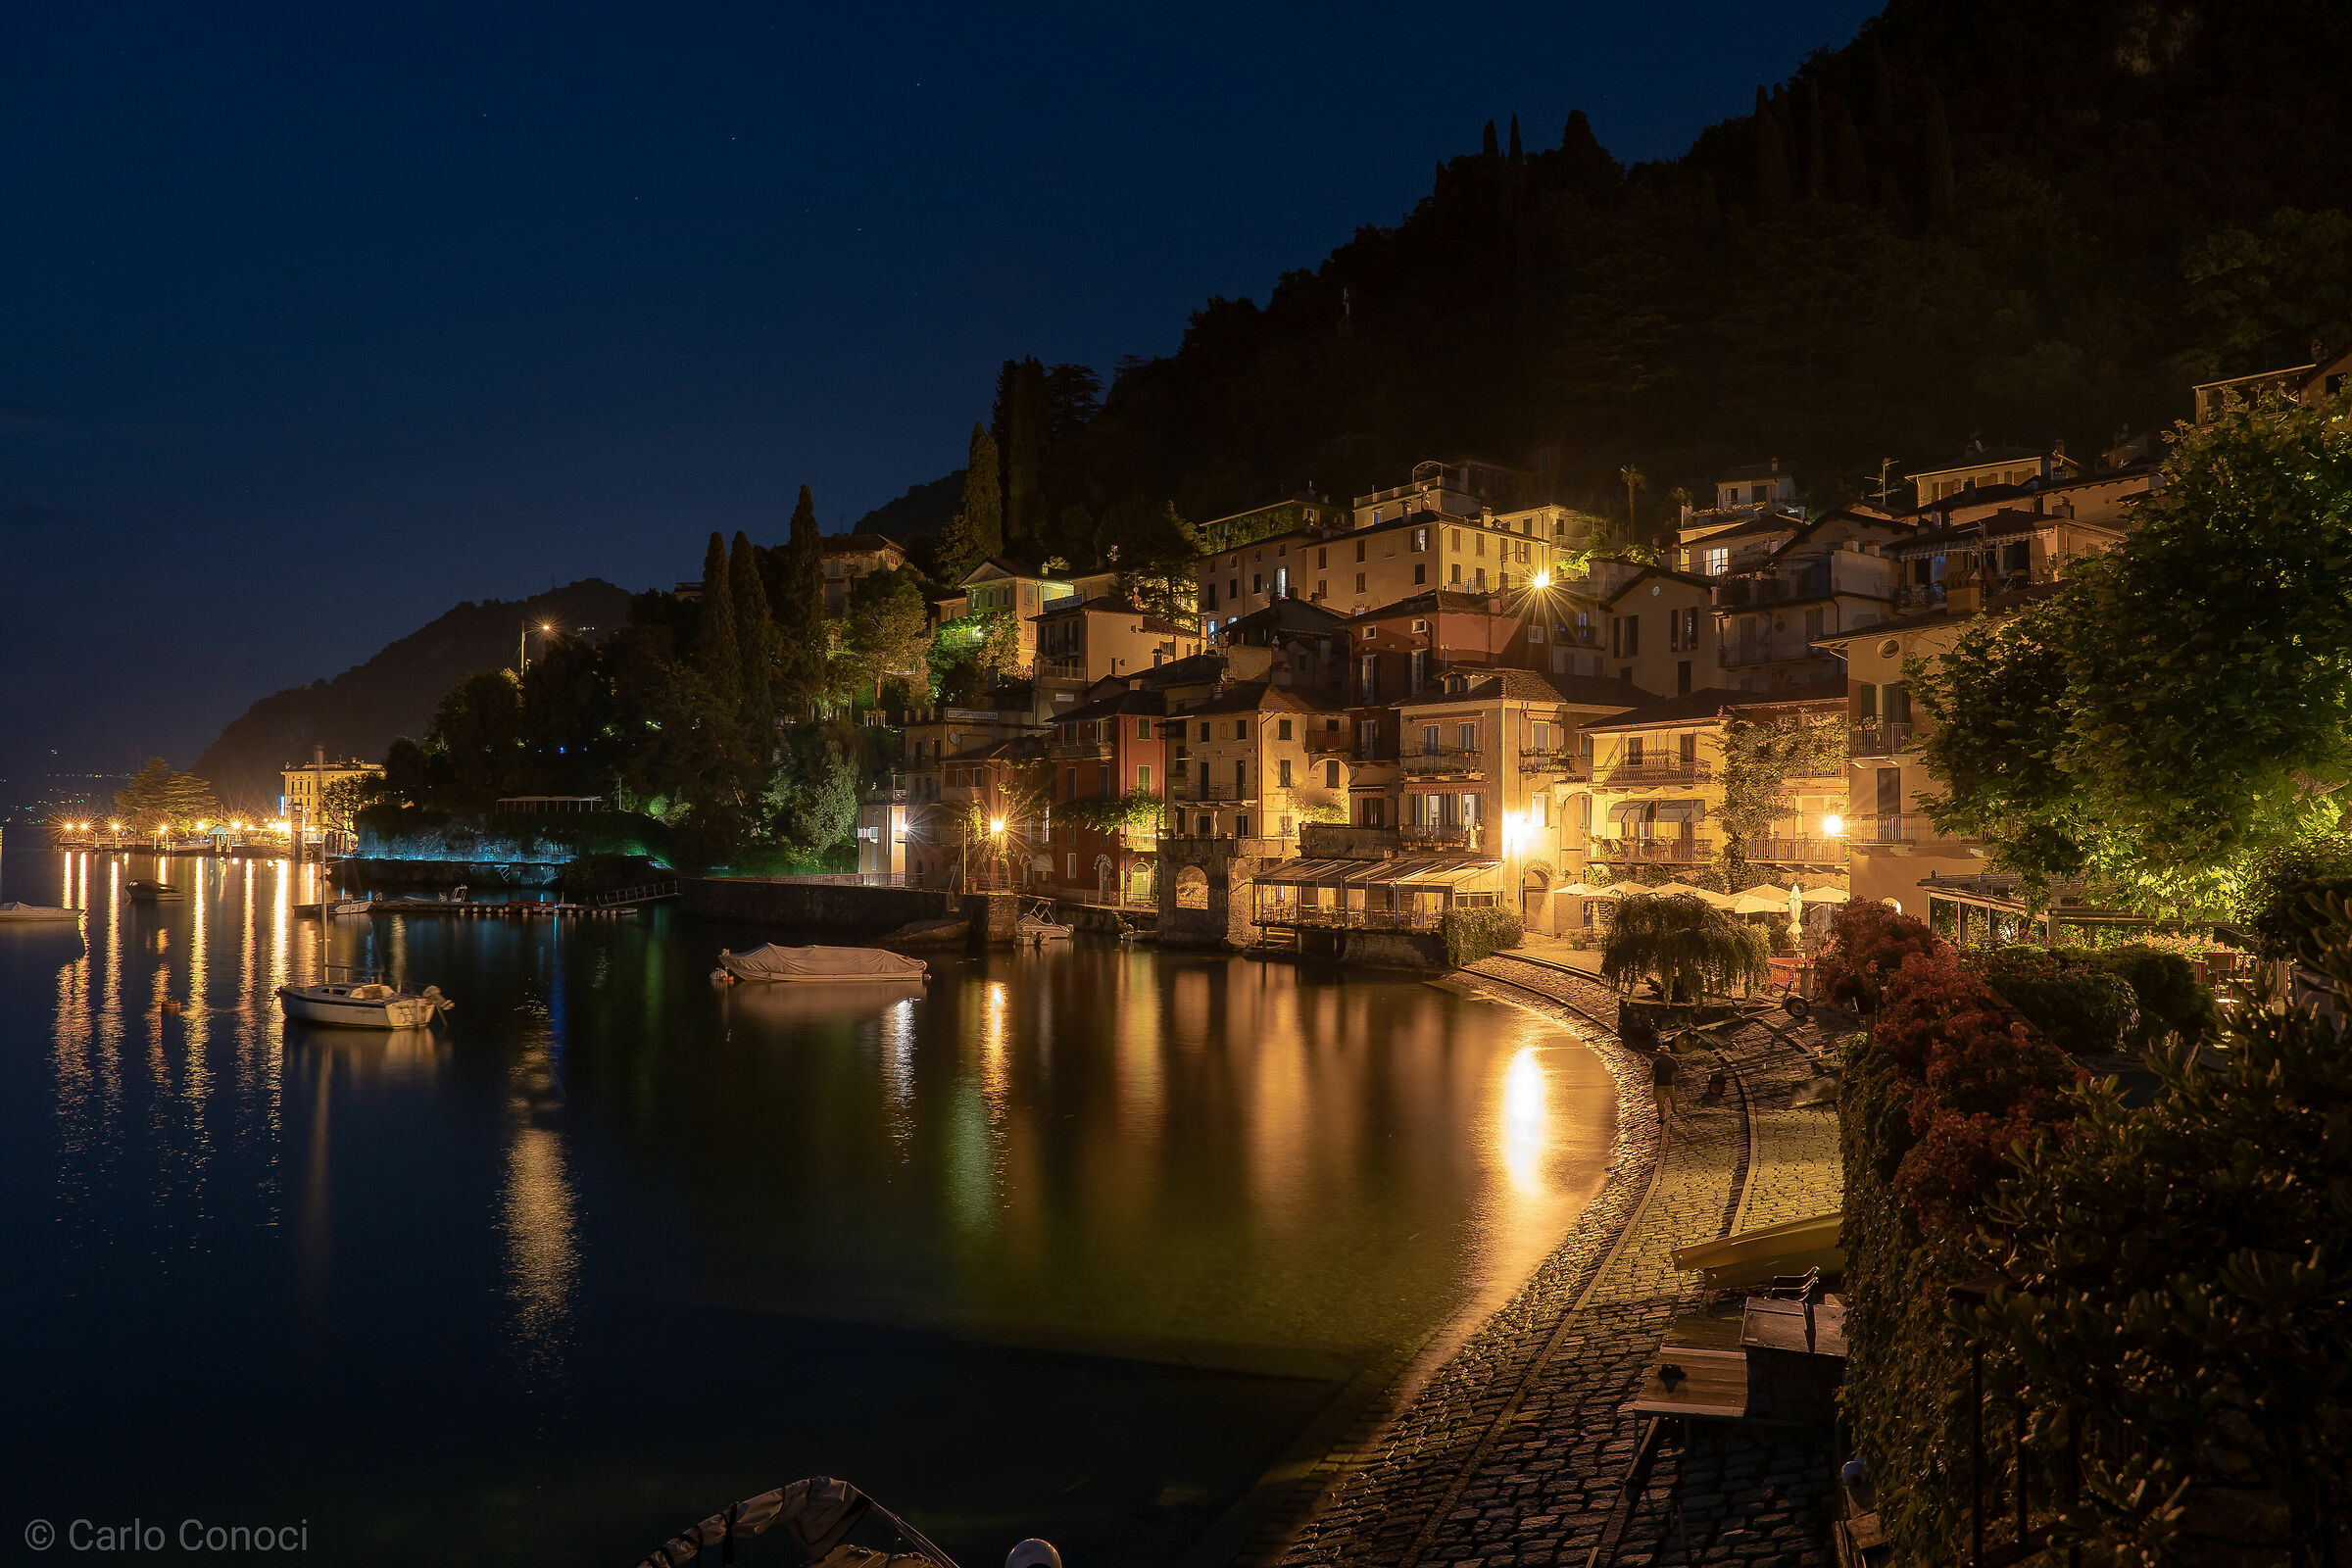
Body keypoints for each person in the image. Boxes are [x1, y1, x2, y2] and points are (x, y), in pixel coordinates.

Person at [1651, 1039, 1679, 1140]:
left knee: (1659, 1101)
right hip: (1668, 1083)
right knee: (1672, 1095)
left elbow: (1653, 1073)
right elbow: (1677, 1071)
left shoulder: (1657, 1062)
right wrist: (1673, 1078)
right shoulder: (1673, 1061)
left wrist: (1648, 1079)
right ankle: (1675, 1108)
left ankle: (1661, 1118)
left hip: (1658, 1084)